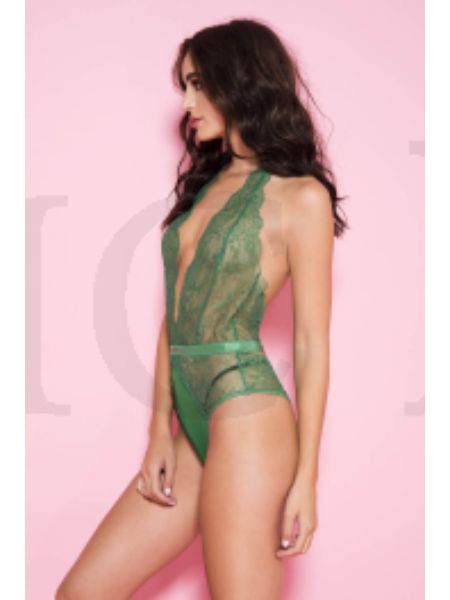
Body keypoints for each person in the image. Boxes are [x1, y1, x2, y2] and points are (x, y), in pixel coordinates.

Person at [56, 18, 348, 600]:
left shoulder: (301, 196)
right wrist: (158, 433)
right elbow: (176, 315)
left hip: (249, 416)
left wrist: (306, 479)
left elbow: (312, 344)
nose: (187, 104)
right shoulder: (206, 185)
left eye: (197, 84)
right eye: (184, 87)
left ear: (238, 82)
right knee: (82, 592)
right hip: (189, 426)